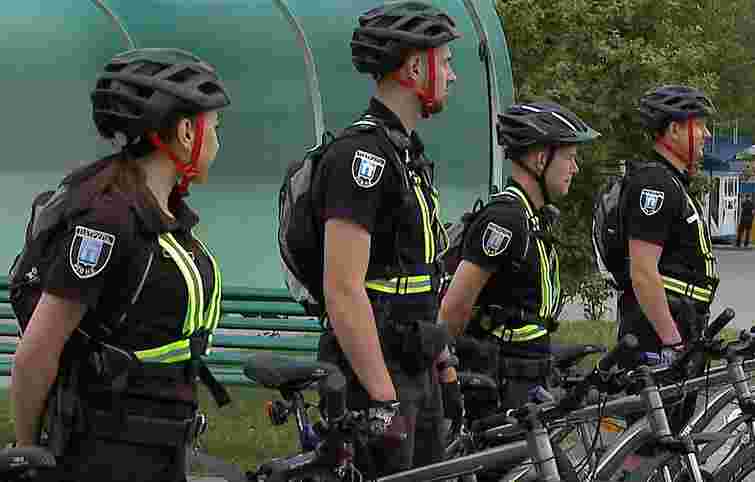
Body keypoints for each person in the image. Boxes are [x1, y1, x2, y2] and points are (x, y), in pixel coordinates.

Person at [10, 48, 231, 482]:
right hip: (106, 454)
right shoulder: (107, 221)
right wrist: (27, 452)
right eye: (216, 129)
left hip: (161, 447)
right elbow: (36, 353)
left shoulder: (163, 214)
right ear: (186, 131)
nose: (218, 143)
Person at [314, 1, 460, 477]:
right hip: (377, 375)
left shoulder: (405, 153)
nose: (453, 76)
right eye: (446, 62)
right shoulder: (362, 157)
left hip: (417, 366)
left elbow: (420, 275)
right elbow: (343, 288)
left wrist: (444, 365)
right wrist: (383, 399)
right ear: (415, 68)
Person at [438, 102, 600, 417]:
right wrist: (449, 374)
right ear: (540, 159)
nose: (575, 168)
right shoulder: (505, 220)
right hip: (502, 387)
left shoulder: (532, 217)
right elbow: (454, 308)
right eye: (569, 157)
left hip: (529, 377)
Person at [616, 85, 717, 471]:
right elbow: (643, 272)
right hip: (657, 335)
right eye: (699, 126)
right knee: (647, 445)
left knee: (669, 439)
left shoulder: (673, 183)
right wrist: (674, 343)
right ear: (673, 130)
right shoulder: (655, 185)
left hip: (677, 326)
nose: (707, 135)